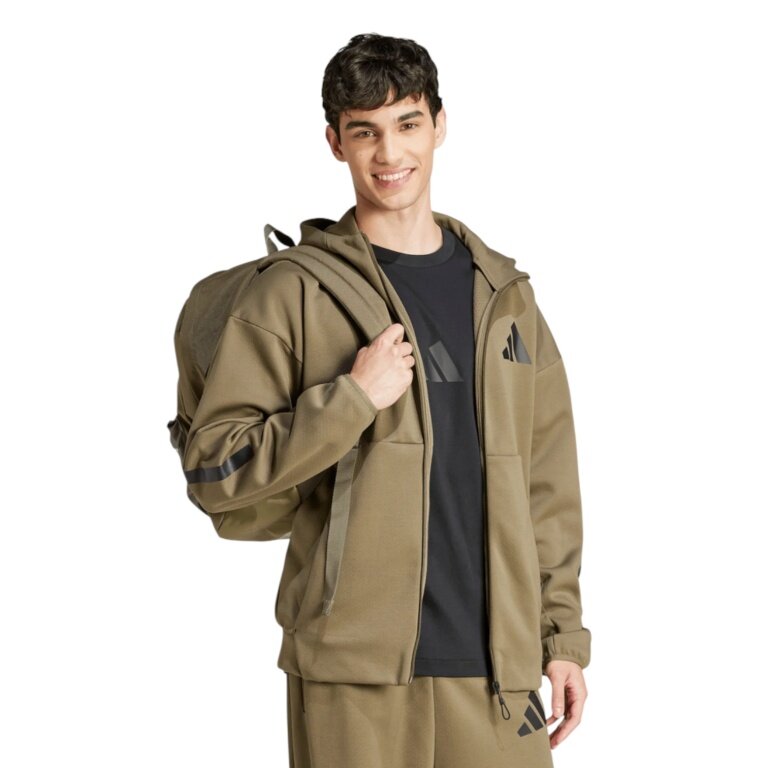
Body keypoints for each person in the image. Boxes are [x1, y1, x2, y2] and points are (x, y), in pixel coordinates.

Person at [179, 32, 591, 768]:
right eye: (364, 131)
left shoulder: (505, 298)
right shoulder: (292, 294)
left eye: (407, 124)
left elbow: (547, 483)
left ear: (439, 125)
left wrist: (560, 637)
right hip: (353, 672)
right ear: (335, 142)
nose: (389, 153)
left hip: (498, 671)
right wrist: (349, 400)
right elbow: (215, 469)